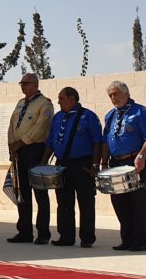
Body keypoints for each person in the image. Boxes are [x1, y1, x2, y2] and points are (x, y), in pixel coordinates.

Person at [42, 86, 103, 248]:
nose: (59, 101)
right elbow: (50, 142)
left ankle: (87, 237)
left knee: (86, 202)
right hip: (61, 165)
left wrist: (96, 165)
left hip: (82, 164)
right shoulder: (57, 117)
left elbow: (98, 141)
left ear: (72, 98)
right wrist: (43, 162)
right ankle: (66, 236)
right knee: (63, 202)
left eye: (61, 98)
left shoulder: (88, 116)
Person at [101, 80, 146, 252]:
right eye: (110, 95)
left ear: (126, 93)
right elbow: (105, 141)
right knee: (119, 202)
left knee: (138, 203)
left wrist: (141, 156)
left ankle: (139, 241)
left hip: (135, 162)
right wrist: (103, 163)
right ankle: (126, 239)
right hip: (115, 163)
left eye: (116, 94)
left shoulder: (140, 112)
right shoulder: (111, 115)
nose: (113, 98)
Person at [6, 73, 54, 244]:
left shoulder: (45, 103)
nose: (23, 86)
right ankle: (24, 231)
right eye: (21, 83)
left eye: (26, 83)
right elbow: (12, 125)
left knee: (40, 193)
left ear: (35, 84)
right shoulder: (20, 103)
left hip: (34, 150)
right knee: (22, 193)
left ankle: (43, 233)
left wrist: (21, 142)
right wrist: (12, 144)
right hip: (19, 151)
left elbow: (41, 128)